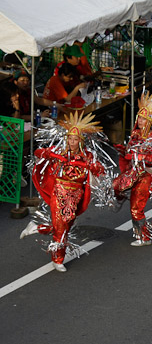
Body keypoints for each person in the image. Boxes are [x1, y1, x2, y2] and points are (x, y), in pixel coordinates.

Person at [27, 112, 105, 271]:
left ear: (81, 141)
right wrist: (51, 154)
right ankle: (58, 259)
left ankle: (37, 228)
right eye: (70, 138)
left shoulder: (87, 156)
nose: (72, 142)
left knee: (66, 226)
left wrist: (92, 167)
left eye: (75, 139)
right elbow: (38, 153)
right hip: (59, 192)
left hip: (76, 195)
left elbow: (100, 170)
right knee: (61, 227)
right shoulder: (60, 150)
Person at [112, 92, 152, 246]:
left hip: (145, 176)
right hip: (133, 174)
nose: (141, 121)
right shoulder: (135, 134)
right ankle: (121, 198)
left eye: (144, 119)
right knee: (116, 186)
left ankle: (144, 237)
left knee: (136, 207)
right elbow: (130, 153)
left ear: (150, 121)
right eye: (140, 118)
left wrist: (140, 157)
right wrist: (123, 151)